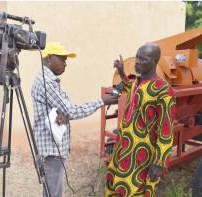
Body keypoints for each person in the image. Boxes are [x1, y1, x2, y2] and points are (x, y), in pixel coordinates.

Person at [31, 42, 118, 197]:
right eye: (63, 59)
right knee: (53, 193)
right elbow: (71, 110)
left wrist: (63, 113)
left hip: (52, 148)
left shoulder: (48, 80)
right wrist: (102, 101)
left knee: (51, 192)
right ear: (50, 58)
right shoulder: (47, 83)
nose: (66, 64)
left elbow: (64, 110)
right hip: (51, 150)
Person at [105, 44, 175, 196]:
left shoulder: (163, 90)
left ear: (154, 61)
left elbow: (166, 130)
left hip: (142, 155)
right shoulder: (136, 82)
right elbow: (129, 87)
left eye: (143, 59)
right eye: (137, 57)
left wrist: (159, 163)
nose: (137, 61)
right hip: (123, 148)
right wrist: (122, 71)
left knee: (136, 190)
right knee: (115, 186)